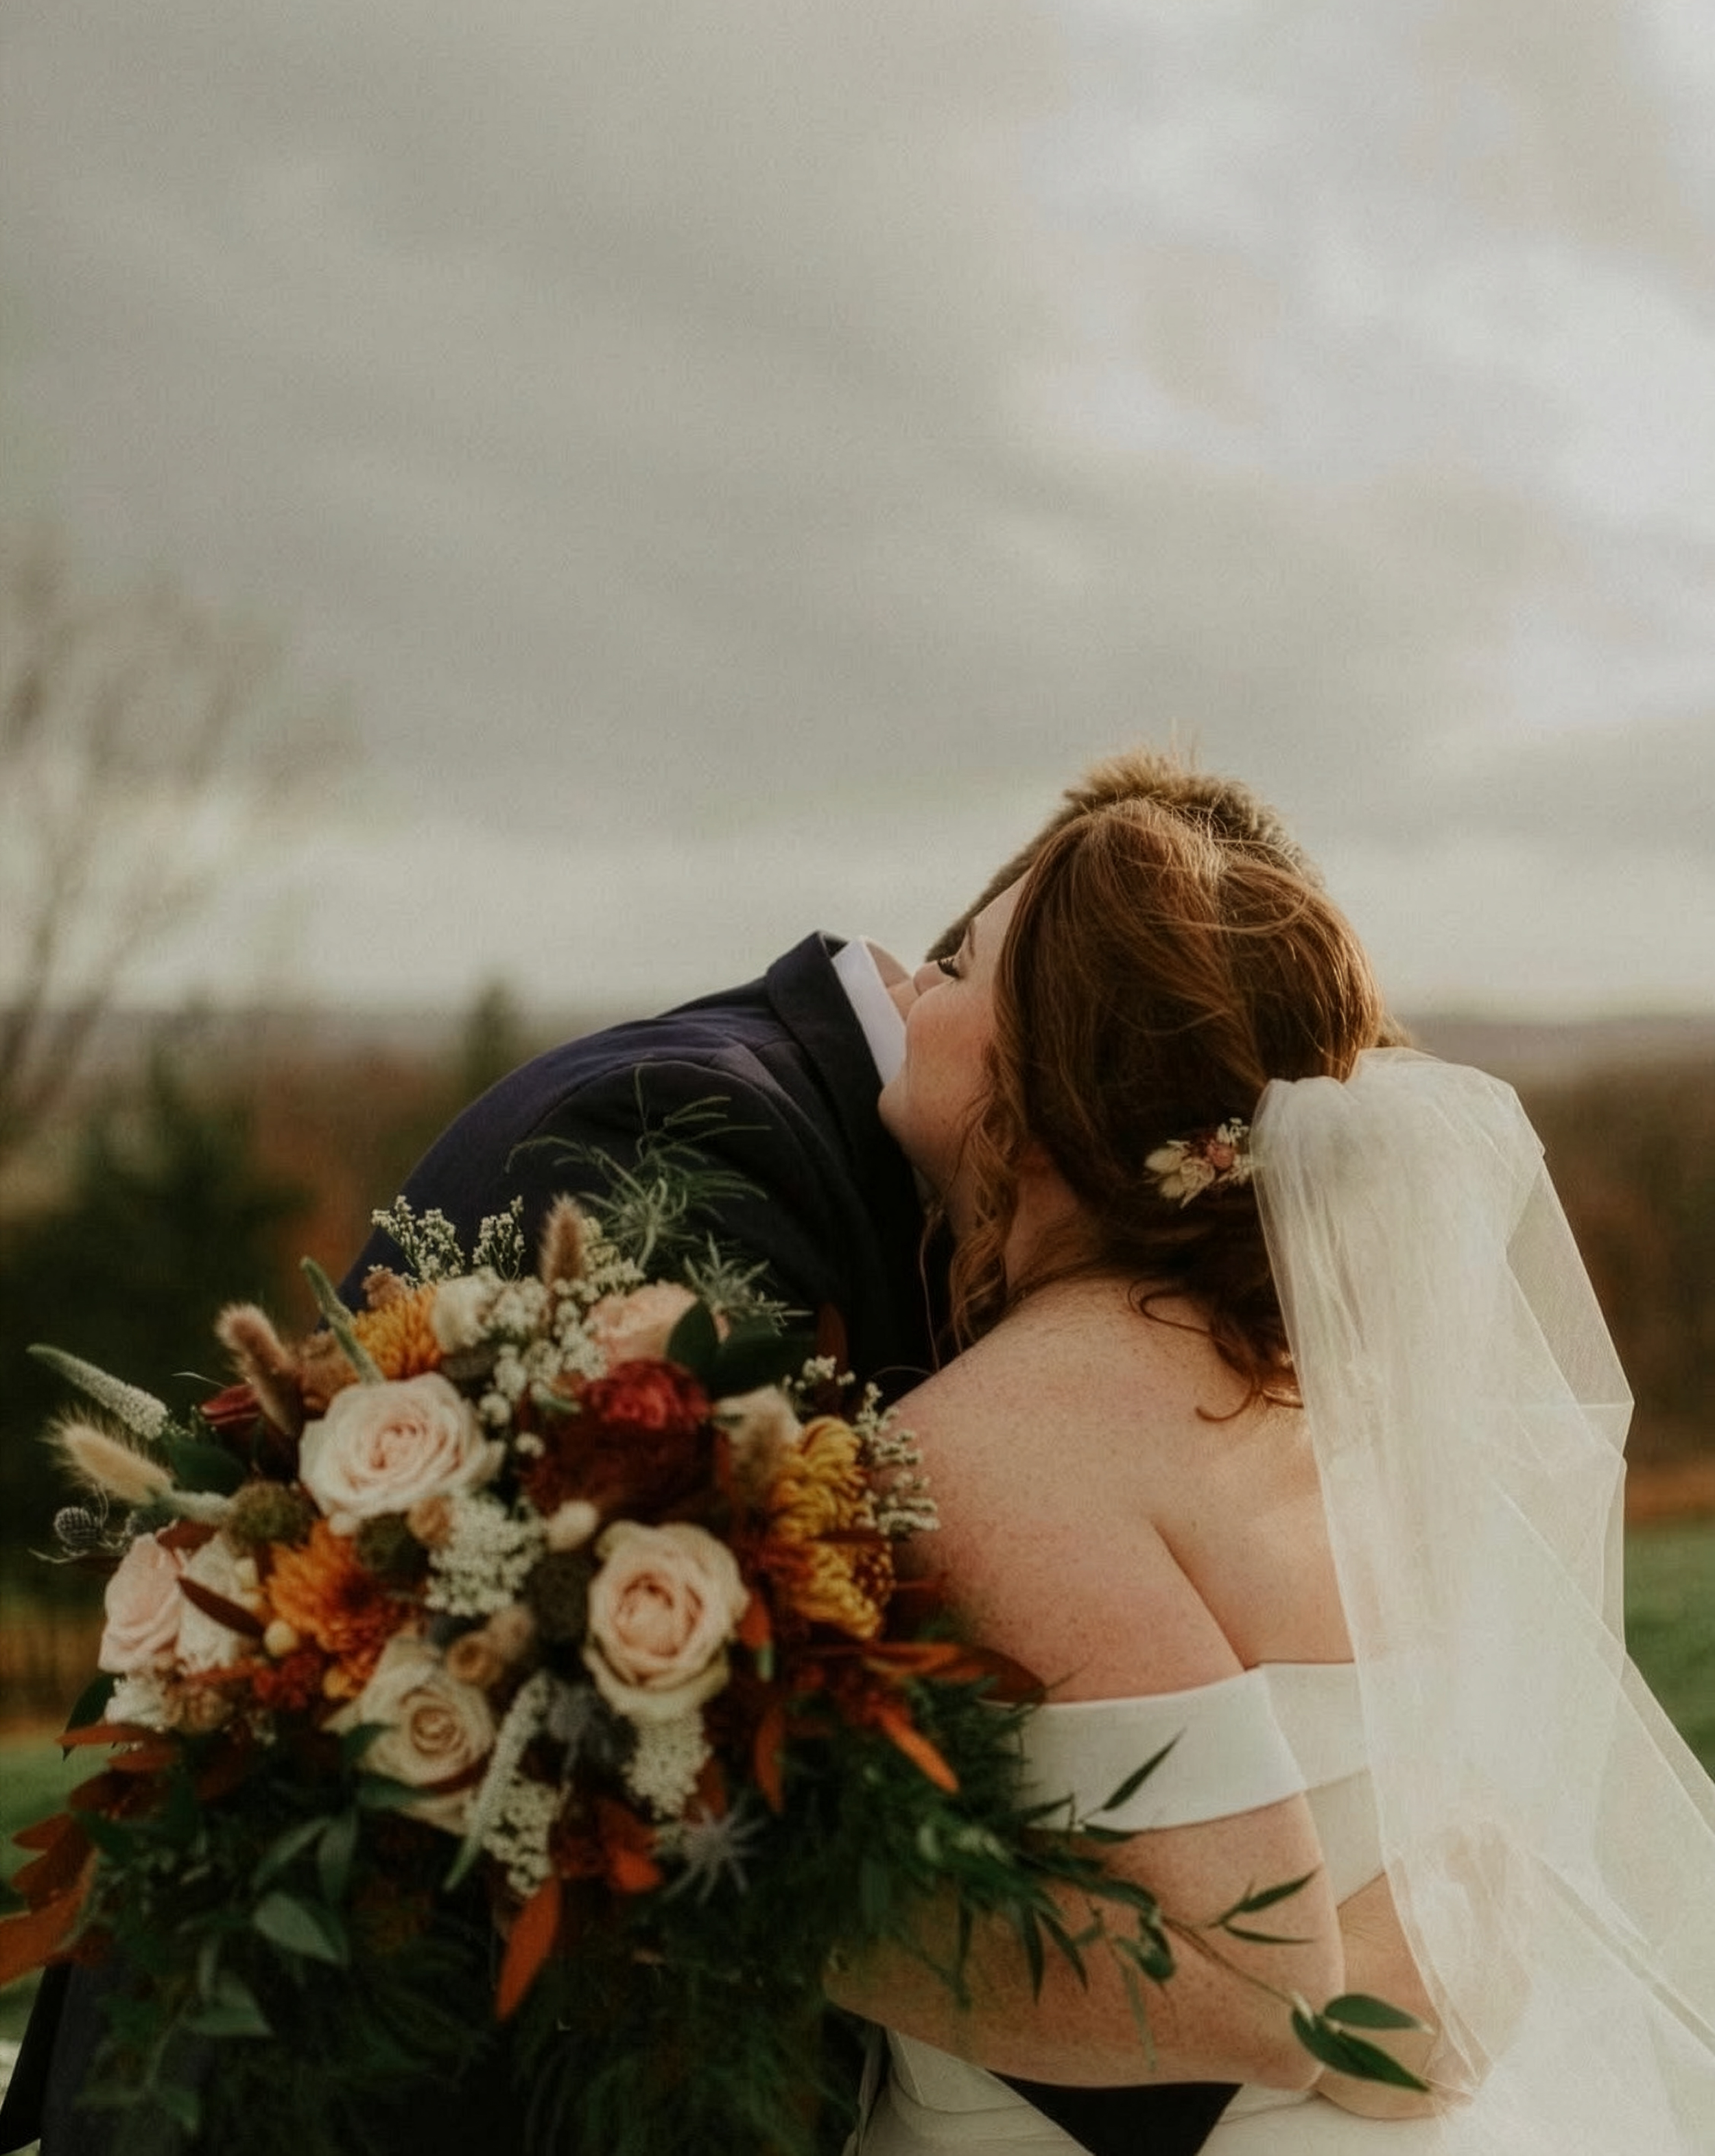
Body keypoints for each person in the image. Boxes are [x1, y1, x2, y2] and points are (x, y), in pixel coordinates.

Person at [1, 751, 1321, 2156]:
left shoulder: (920, 1187)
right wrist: (1218, 2029)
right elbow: (652, 1720)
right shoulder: (678, 1135)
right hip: (359, 2061)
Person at [827, 797, 1715, 2151]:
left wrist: (751, 1907)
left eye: (956, 967)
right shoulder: (1312, 1395)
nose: (903, 983)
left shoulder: (993, 1442)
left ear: (1044, 1095)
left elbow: (1268, 1969)